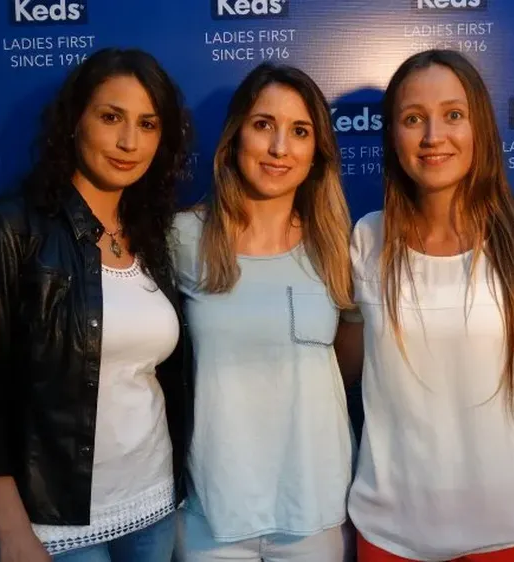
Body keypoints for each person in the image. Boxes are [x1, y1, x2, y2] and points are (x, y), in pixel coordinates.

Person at [336, 49, 514, 562]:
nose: (432, 136)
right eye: (413, 119)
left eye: (453, 115)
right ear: (393, 138)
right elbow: (344, 370)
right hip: (392, 533)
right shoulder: (366, 240)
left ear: (480, 128)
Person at [0, 47, 195, 562]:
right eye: (111, 118)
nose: (130, 142)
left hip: (153, 505)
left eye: (148, 124)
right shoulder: (8, 229)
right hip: (50, 523)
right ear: (73, 122)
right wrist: (12, 532)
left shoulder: (154, 236)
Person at [171, 62, 358, 562]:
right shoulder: (180, 238)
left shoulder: (341, 247)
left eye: (299, 131)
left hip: (314, 514)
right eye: (263, 125)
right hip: (211, 516)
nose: (280, 148)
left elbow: (351, 367)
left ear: (317, 151)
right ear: (234, 137)